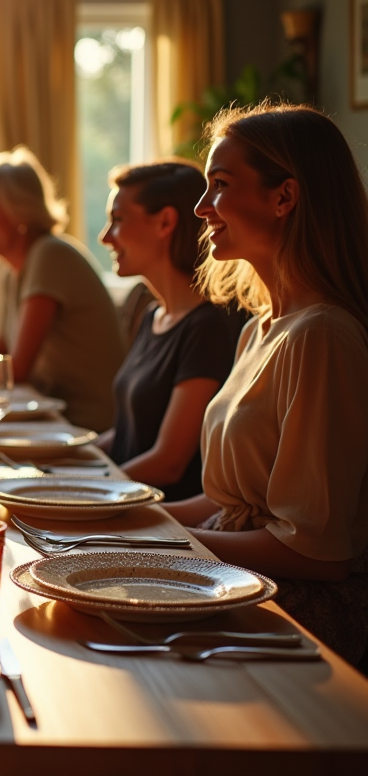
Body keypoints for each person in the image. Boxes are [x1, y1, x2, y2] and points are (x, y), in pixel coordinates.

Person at [164, 103, 368, 666]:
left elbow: (317, 554)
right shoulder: (262, 328)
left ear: (285, 198)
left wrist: (165, 547)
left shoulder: (322, 336)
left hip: (301, 609)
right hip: (241, 575)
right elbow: (234, 499)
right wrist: (136, 518)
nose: (201, 208)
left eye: (220, 185)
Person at [96, 160, 237, 501]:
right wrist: (63, 466)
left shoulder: (208, 326)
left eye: (117, 220)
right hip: (122, 504)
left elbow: (168, 463)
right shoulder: (152, 315)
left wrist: (88, 489)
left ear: (165, 222)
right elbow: (128, 433)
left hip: (161, 527)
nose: (105, 237)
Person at [0, 146, 125, 432]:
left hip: (84, 429)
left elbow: (16, 371)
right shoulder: (14, 271)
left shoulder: (49, 256)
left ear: (21, 212)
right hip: (51, 422)